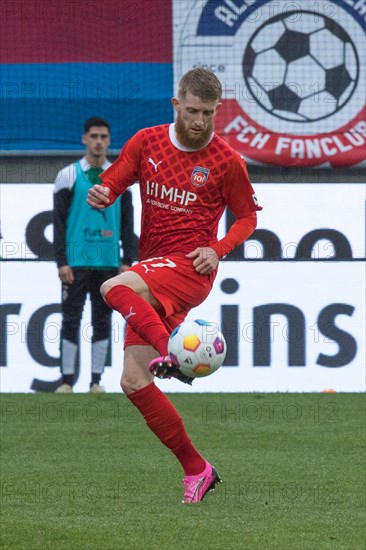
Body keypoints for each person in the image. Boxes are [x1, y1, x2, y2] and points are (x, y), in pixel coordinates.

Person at [86, 69, 262, 502]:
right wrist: (105, 192)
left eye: (208, 112)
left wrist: (218, 249)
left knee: (112, 288)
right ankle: (197, 469)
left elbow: (248, 218)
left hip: (191, 270)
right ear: (176, 105)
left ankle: (171, 351)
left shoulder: (227, 161)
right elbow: (117, 178)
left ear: (217, 110)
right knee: (132, 380)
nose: (200, 120)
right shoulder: (147, 141)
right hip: (153, 267)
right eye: (192, 110)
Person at [53, 117, 137, 393]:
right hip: (75, 263)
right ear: (84, 139)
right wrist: (61, 262)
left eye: (103, 136)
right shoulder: (68, 175)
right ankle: (66, 381)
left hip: (108, 263)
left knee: (102, 321)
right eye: (94, 136)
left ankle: (96, 381)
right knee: (71, 319)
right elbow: (59, 223)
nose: (99, 141)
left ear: (109, 141)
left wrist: (127, 261)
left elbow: (127, 223)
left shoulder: (121, 176)